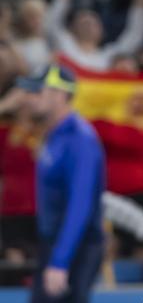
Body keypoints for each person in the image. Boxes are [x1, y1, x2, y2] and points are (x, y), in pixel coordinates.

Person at [26, 65, 106, 302]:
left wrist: (60, 261)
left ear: (59, 95)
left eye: (38, 91)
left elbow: (80, 204)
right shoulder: (54, 134)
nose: (30, 98)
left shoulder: (80, 139)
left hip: (76, 247)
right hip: (54, 242)